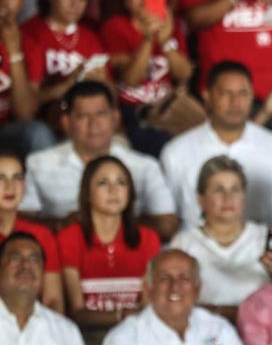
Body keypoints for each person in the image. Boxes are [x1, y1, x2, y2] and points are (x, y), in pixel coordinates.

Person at [20, 81, 178, 240]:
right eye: (83, 116)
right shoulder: (38, 164)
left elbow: (167, 226)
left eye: (101, 114)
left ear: (115, 119)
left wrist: (110, 222)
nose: (93, 124)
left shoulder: (145, 166)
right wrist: (63, 224)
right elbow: (20, 220)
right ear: (66, 122)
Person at [160, 62, 272, 229]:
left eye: (242, 93)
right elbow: (169, 218)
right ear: (207, 96)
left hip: (260, 250)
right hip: (195, 249)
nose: (235, 102)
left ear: (252, 96)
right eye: (226, 93)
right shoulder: (176, 152)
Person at [57, 155, 161, 345]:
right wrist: (122, 315)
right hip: (85, 338)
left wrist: (127, 319)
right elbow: (78, 312)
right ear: (87, 193)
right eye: (103, 183)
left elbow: (148, 307)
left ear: (130, 193)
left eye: (121, 182)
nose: (114, 190)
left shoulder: (147, 238)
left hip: (136, 336)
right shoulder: (70, 237)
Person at [96, 249, 258, 345]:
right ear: (148, 289)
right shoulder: (124, 341)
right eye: (164, 278)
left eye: (184, 278)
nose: (175, 287)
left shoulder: (218, 329)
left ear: (197, 289)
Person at [100, 0, 194, 157]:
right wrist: (150, 39)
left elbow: (184, 72)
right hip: (133, 111)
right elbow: (132, 79)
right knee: (161, 143)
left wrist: (166, 39)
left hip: (168, 107)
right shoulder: (116, 26)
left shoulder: (173, 26)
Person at [170, 156, 272, 324]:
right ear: (201, 198)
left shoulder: (268, 239)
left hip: (263, 330)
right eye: (219, 190)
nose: (228, 198)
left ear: (244, 196)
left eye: (235, 190)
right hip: (204, 330)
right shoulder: (184, 243)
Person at [22, 0, 109, 135]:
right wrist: (70, 83)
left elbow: (112, 93)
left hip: (86, 122)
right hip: (43, 123)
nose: (75, 4)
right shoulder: (29, 32)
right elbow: (26, 102)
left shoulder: (90, 37)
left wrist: (102, 82)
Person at [0, 232, 91, 345]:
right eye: (15, 258)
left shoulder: (66, 332)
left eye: (34, 260)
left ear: (43, 273)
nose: (26, 265)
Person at [0, 0, 54, 156]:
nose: (3, 1)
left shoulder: (30, 45)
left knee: (37, 132)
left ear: (22, 0)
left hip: (7, 130)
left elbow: (25, 114)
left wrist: (14, 50)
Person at [0, 150, 62, 313]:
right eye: (1, 178)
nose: (10, 186)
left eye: (17, 178)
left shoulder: (41, 235)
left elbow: (53, 299)